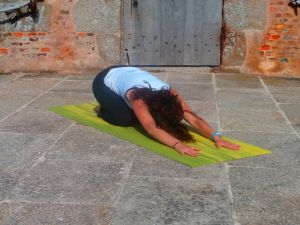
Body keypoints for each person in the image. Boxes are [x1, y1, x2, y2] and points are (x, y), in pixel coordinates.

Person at [92, 65, 240, 157]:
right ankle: (104, 108)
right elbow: (151, 128)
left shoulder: (170, 93)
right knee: (124, 120)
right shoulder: (138, 98)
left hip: (128, 71)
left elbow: (193, 118)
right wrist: (178, 145)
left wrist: (216, 137)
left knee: (141, 118)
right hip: (104, 80)